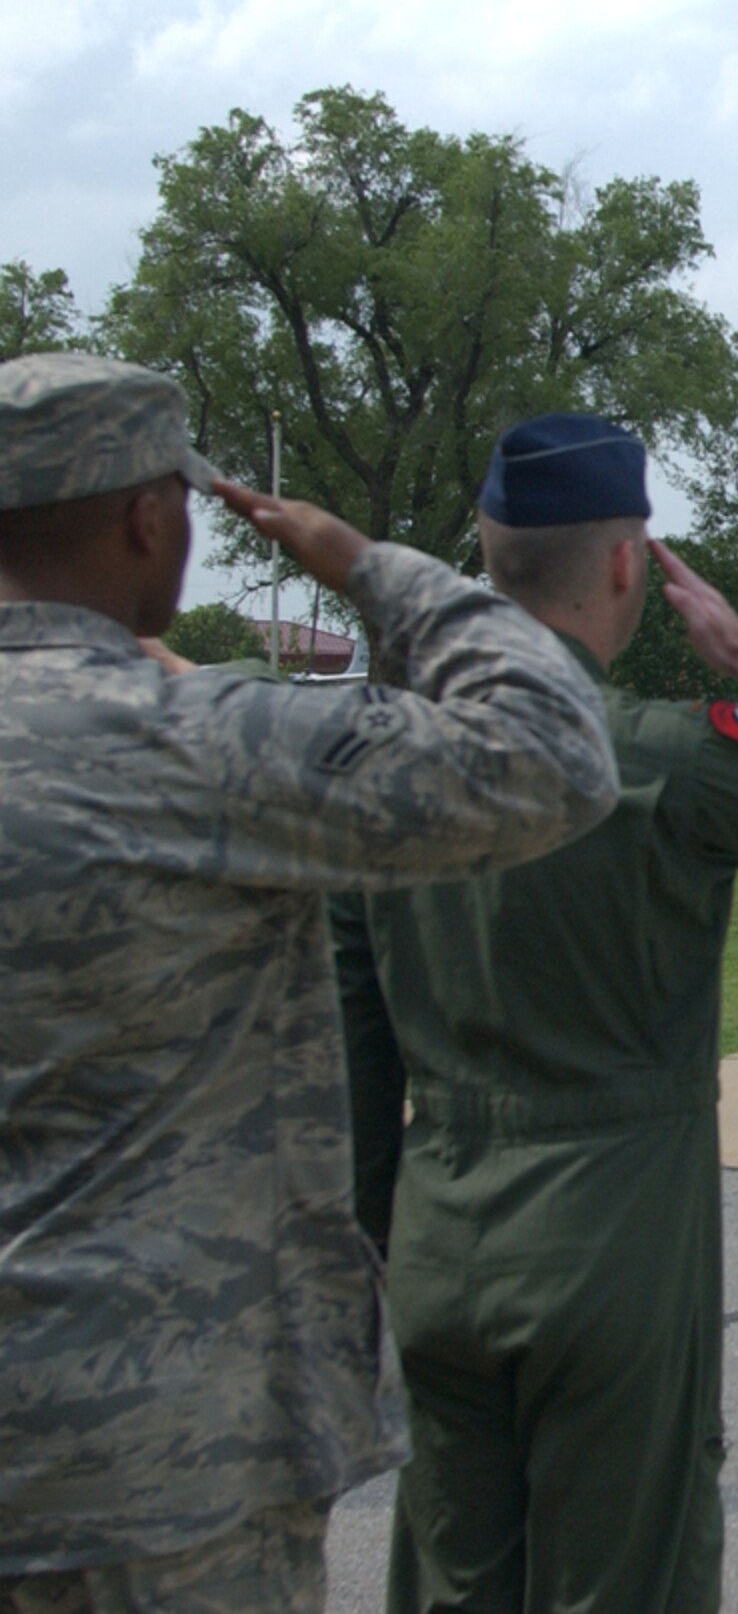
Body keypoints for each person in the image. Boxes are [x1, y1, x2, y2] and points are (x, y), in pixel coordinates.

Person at [0, 356, 622, 1606]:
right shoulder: (184, 742)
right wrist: (367, 566)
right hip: (149, 1458)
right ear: (148, 516)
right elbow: (549, 754)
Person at [333, 413, 738, 1614]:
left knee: (450, 1575)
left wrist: (375, 1252)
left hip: (433, 1239)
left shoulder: (381, 762)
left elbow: (355, 1045)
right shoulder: (661, 754)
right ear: (628, 565)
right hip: (612, 1235)